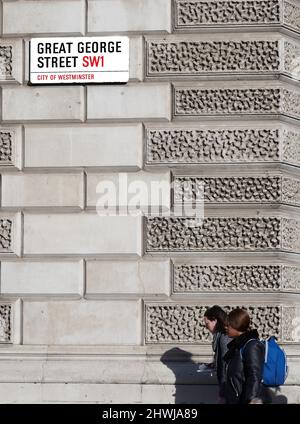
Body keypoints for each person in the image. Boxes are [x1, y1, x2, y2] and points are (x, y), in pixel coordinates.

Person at [223, 308, 265, 404]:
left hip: (245, 400)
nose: (226, 327)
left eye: (228, 325)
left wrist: (252, 400)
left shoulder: (251, 345)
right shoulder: (237, 345)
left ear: (236, 325)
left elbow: (255, 375)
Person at [204, 305, 231, 404]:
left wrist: (222, 394)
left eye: (207, 323)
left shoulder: (224, 337)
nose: (206, 327)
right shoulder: (221, 336)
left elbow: (226, 366)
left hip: (230, 389)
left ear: (215, 320)